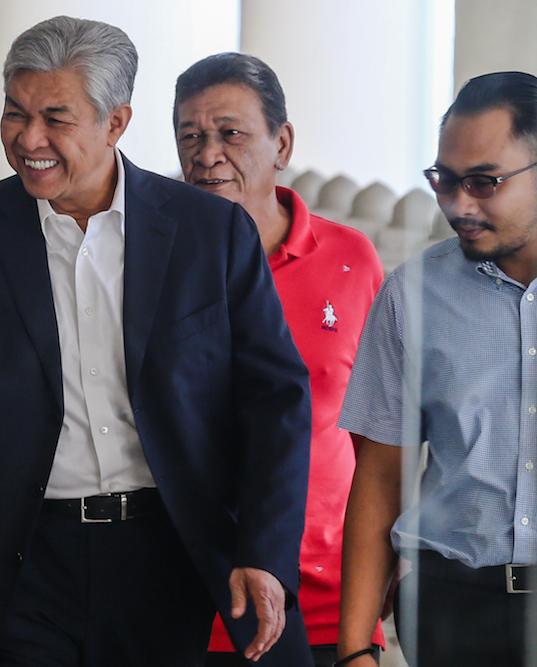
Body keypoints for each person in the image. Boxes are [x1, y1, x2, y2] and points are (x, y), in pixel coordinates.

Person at [0, 16, 314, 666]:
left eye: (55, 118)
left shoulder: (209, 234)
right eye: (14, 113)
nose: (28, 139)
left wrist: (265, 551)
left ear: (116, 123)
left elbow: (277, 399)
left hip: (166, 554)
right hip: (16, 557)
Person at [172, 53, 385, 667]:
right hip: (196, 590)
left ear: (281, 142)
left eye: (230, 133)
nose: (207, 154)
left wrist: (383, 562)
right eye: (191, 136)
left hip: (330, 593)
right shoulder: (154, 268)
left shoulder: (352, 260)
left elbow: (379, 436)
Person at [336, 71, 537, 667]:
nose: (459, 204)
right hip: (451, 608)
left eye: (484, 182)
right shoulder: (413, 294)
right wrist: (353, 651)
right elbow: (379, 476)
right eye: (444, 181)